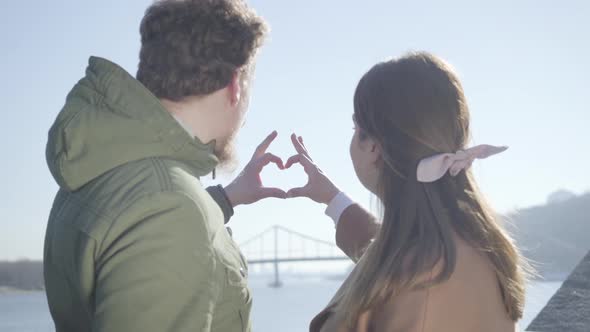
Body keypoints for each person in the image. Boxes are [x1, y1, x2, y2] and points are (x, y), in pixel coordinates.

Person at [43, 1, 285, 331]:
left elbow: (137, 222)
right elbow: (165, 227)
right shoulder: (172, 209)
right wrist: (192, 209)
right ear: (235, 84)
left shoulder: (99, 164)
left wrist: (226, 199)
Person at [281, 52, 528, 331]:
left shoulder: (415, 279)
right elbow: (395, 250)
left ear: (373, 146)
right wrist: (332, 199)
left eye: (356, 127)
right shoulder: (477, 245)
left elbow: (397, 272)